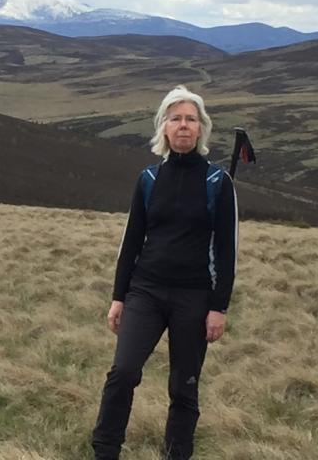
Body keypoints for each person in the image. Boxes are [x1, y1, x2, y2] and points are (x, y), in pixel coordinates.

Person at [91, 85, 238, 460]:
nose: (184, 126)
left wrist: (218, 306)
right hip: (146, 291)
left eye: (191, 119)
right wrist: (118, 298)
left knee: (184, 386)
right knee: (123, 372)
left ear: (202, 129)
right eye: (176, 119)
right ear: (164, 128)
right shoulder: (149, 180)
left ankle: (177, 454)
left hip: (194, 296)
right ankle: (105, 450)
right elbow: (131, 241)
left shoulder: (218, 182)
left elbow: (226, 250)